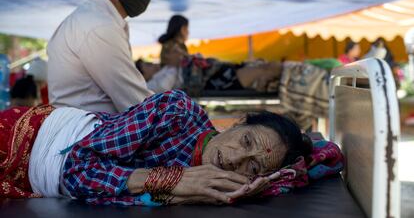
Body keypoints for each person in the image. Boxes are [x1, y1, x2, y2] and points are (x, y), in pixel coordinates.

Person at [0, 90, 311, 206]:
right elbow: (75, 169)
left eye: (252, 167)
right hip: (23, 140)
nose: (235, 159)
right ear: (238, 122)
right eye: (246, 141)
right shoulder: (176, 113)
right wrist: (171, 180)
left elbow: (324, 156)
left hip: (34, 184)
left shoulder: (221, 190)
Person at [47, 0, 168, 113]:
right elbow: (137, 104)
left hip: (91, 128)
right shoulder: (98, 25)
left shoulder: (99, 18)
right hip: (89, 134)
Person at [137, 58, 282, 94]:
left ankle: (295, 73)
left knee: (263, 67)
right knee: (263, 69)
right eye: (148, 66)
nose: (154, 65)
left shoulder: (162, 72)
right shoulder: (152, 85)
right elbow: (162, 88)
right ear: (143, 75)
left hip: (212, 72)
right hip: (213, 80)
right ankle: (296, 73)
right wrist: (175, 66)